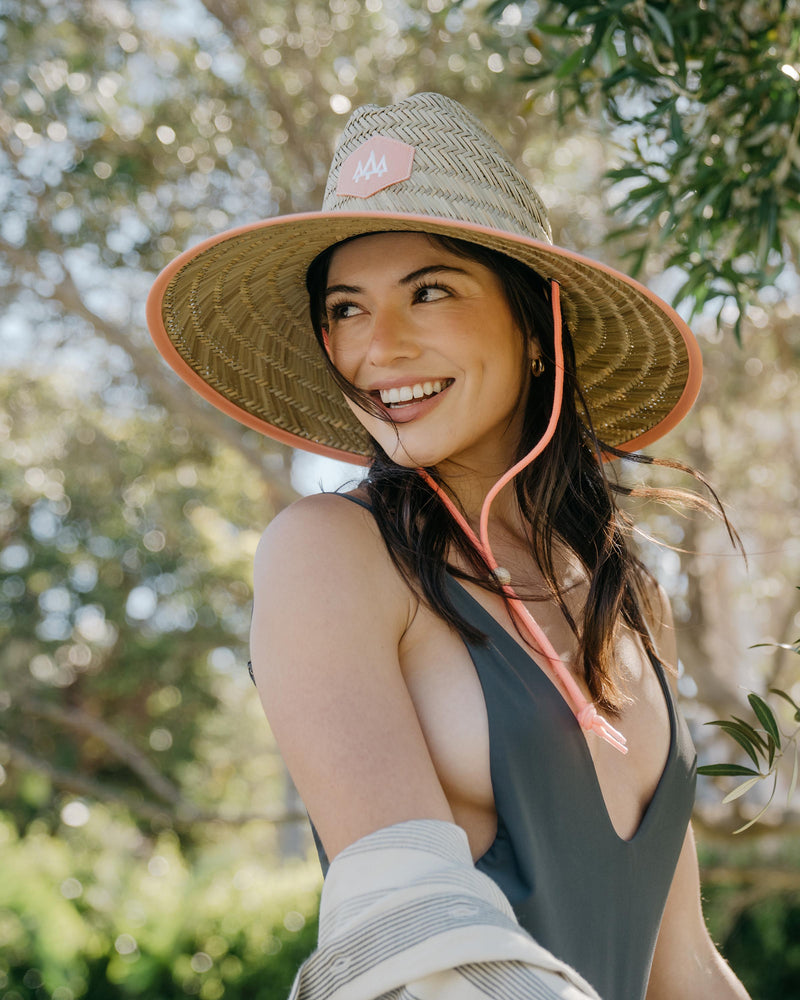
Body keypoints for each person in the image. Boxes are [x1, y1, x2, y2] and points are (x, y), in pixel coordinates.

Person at [147, 93, 750, 999]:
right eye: (346, 309)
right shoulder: (330, 554)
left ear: (535, 324)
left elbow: (685, 969)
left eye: (429, 290)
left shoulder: (633, 604)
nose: (377, 347)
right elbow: (411, 925)